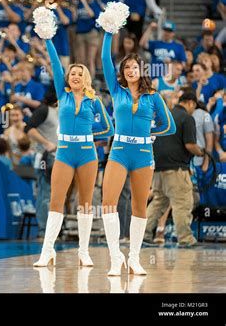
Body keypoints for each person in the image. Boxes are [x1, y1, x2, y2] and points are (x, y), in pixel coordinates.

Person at [101, 31, 176, 276]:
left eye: (134, 66)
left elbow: (169, 126)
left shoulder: (153, 96)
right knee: (108, 204)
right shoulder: (117, 91)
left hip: (144, 153)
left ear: (140, 70)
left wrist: (149, 132)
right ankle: (115, 258)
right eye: (126, 68)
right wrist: (108, 32)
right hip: (119, 151)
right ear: (122, 73)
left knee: (139, 207)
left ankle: (133, 258)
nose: (130, 70)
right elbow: (104, 59)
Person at [33, 38, 113, 268]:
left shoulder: (94, 100)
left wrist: (89, 132)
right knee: (56, 201)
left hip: (88, 153)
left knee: (85, 202)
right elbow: (56, 65)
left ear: (86, 78)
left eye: (79, 73)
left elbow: (109, 128)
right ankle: (47, 251)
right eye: (72, 74)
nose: (75, 76)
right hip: (65, 152)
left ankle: (84, 251)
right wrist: (48, 39)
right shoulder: (63, 94)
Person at [145, 92, 204, 247]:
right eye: (194, 107)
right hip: (176, 169)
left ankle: (142, 235)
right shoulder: (187, 118)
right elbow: (190, 145)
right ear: (190, 103)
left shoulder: (164, 116)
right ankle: (185, 239)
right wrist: (202, 153)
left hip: (157, 168)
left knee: (158, 202)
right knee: (182, 202)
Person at [24, 87, 59, 239]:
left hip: (59, 157)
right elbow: (29, 128)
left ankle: (56, 228)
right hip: (45, 157)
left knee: (56, 194)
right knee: (45, 193)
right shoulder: (44, 110)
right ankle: (44, 230)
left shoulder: (60, 112)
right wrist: (46, 143)